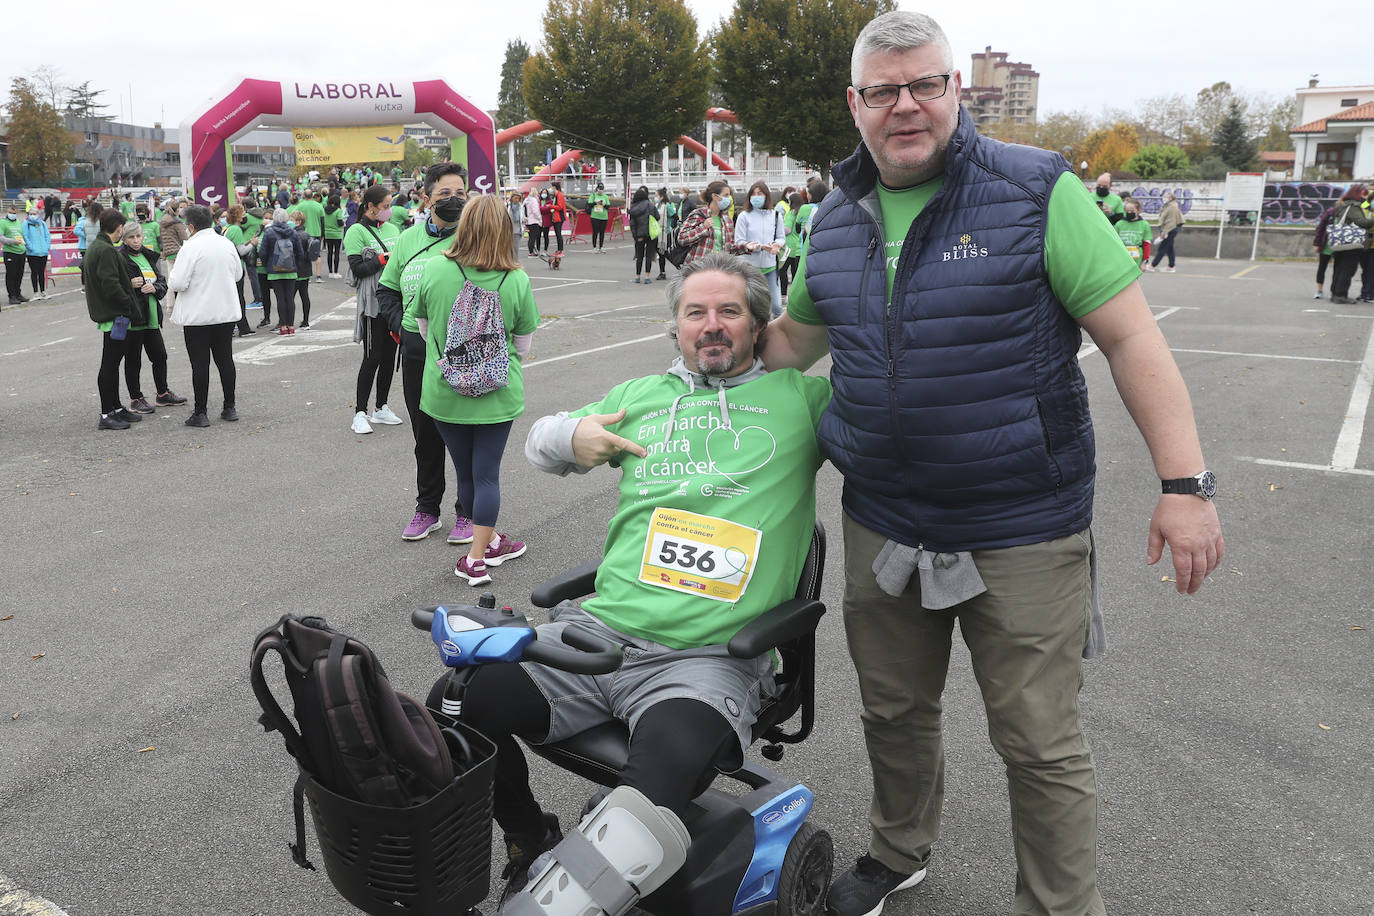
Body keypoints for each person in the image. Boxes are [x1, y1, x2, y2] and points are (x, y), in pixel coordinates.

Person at [757, 12, 1224, 915]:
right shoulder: (836, 212)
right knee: (893, 714)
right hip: (884, 516)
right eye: (884, 90)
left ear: (955, 91)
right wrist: (698, 358)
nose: (906, 106)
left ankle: (1057, 907)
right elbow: (798, 339)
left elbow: (1131, 339)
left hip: (1022, 526)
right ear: (855, 103)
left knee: (1038, 740)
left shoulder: (1037, 189)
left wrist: (1185, 486)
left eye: (926, 84)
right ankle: (899, 852)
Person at [462, 252, 830, 903]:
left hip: (704, 661)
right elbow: (538, 442)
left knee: (642, 811)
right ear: (677, 328)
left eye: (729, 312)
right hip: (595, 636)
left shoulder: (802, 400)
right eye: (696, 313)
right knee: (456, 703)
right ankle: (529, 836)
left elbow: (902, 410)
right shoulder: (641, 398)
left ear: (758, 325)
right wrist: (569, 434)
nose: (711, 326)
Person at [406, 194, 538, 585]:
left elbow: (424, 330)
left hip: (445, 392)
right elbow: (523, 346)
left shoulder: (435, 269)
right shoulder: (516, 278)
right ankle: (477, 557)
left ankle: (489, 540)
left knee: (465, 471)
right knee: (487, 476)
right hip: (497, 395)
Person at [376, 161, 474, 543]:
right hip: (418, 356)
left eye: (460, 194)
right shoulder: (407, 239)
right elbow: (388, 289)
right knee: (426, 436)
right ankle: (427, 508)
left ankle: (468, 512)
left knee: (464, 436)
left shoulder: (474, 236)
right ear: (426, 197)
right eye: (445, 194)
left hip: (465, 356)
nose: (453, 201)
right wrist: (403, 327)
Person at [168, 206, 243, 427]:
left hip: (198, 316)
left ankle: (200, 412)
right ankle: (230, 407)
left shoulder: (190, 247)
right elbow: (238, 274)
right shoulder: (225, 243)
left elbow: (178, 282)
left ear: (190, 226)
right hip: (225, 312)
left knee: (200, 364)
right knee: (225, 360)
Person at [346, 184, 403, 433]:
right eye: (385, 207)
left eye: (390, 206)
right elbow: (358, 269)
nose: (388, 211)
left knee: (389, 359)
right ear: (371, 207)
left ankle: (381, 408)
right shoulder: (356, 231)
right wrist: (383, 258)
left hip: (394, 304)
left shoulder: (393, 228)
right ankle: (360, 412)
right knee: (372, 358)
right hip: (372, 306)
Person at [84, 210, 145, 430]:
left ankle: (116, 407)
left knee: (112, 364)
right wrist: (128, 305)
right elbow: (111, 285)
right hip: (115, 316)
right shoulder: (106, 250)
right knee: (109, 365)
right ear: (119, 228)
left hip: (111, 314)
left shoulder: (97, 247)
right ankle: (106, 413)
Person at [117, 223, 184, 413]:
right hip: (133, 318)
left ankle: (162, 393)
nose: (136, 240)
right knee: (133, 360)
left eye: (138, 236)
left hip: (152, 316)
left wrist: (155, 288)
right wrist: (129, 284)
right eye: (131, 237)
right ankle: (135, 398)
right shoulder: (120, 258)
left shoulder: (148, 255)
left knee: (160, 356)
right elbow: (112, 285)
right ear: (124, 239)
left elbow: (162, 281)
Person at [730, 181, 787, 317]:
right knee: (750, 306)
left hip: (770, 267)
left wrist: (776, 244)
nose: (756, 197)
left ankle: (775, 335)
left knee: (777, 307)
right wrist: (759, 247)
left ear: (766, 196)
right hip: (749, 268)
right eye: (753, 194)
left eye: (759, 194)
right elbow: (739, 241)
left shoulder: (776, 215)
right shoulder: (744, 216)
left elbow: (781, 237)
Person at [258, 209, 306, 335]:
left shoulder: (269, 232)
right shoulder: (293, 232)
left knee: (280, 298)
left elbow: (262, 252)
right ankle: (291, 325)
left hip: (274, 270)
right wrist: (296, 264)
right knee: (290, 298)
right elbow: (300, 253)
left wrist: (266, 265)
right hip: (291, 270)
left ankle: (283, 326)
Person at [1328, 184, 1372, 305]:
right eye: (1364, 193)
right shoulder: (1353, 206)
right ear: (1357, 194)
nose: (1366, 196)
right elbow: (1361, 222)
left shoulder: (1343, 205)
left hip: (1341, 242)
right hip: (1351, 244)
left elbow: (1368, 208)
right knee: (1347, 269)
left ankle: (1335, 293)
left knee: (1339, 268)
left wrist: (1367, 202)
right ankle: (1341, 295)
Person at [675, 180, 735, 266]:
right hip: (700, 270)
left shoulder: (727, 220)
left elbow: (730, 248)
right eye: (726, 195)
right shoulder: (698, 214)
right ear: (714, 196)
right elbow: (682, 238)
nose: (729, 199)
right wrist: (703, 227)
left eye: (729, 195)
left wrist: (745, 247)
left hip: (721, 270)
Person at [222, 206, 258, 337]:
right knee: (238, 299)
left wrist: (248, 242)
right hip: (236, 268)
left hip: (227, 268)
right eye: (242, 213)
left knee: (232, 298)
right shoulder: (236, 229)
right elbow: (242, 250)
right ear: (237, 216)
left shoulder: (228, 228)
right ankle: (243, 328)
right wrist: (253, 244)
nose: (244, 215)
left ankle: (233, 327)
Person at [287, 211, 318, 328]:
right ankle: (305, 321)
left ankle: (289, 321)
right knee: (304, 295)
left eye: (292, 219)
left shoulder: (294, 235)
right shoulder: (307, 234)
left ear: (298, 221)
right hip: (306, 269)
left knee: (290, 297)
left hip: (296, 269)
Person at [1147, 191, 1184, 273]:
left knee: (1162, 248)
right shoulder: (1169, 206)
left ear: (1170, 198)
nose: (1164, 198)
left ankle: (1152, 265)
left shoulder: (1172, 207)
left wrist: (1164, 232)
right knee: (1169, 248)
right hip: (1171, 229)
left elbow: (1170, 221)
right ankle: (1171, 266)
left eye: (1166, 196)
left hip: (1170, 230)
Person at [627, 188, 658, 284]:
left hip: (639, 234)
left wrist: (635, 236)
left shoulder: (633, 208)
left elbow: (632, 224)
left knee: (639, 256)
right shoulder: (651, 206)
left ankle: (637, 276)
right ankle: (647, 277)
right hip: (651, 233)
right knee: (649, 255)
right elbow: (657, 217)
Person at [296, 189, 327, 283]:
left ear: (304, 196)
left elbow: (294, 217)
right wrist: (322, 234)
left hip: (303, 233)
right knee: (316, 254)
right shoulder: (319, 206)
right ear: (312, 196)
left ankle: (306, 275)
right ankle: (318, 276)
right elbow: (322, 221)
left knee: (303, 254)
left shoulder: (300, 205)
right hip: (316, 232)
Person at [1113, 197, 1152, 270]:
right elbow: (1114, 243)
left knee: (1133, 280)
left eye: (1132, 210)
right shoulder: (1119, 224)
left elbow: (1147, 244)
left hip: (1137, 259)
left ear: (1139, 210)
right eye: (1127, 211)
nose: (1129, 213)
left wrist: (1144, 262)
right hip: (1122, 258)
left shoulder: (1144, 225)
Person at [778, 191, 804, 298]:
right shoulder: (802, 212)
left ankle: (783, 294)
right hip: (798, 247)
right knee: (795, 273)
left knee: (782, 270)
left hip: (788, 247)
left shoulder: (791, 213)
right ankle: (794, 295)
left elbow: (787, 230)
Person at [1, 203, 28, 306]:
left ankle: (18, 293)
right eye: (11, 213)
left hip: (21, 251)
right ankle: (11, 296)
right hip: (10, 252)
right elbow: (1, 238)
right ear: (7, 212)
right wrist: (12, 241)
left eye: (15, 213)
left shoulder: (18, 222)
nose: (13, 215)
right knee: (11, 275)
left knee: (19, 274)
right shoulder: (3, 222)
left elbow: (20, 235)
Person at [1312, 204, 1336, 299]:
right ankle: (1319, 290)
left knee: (1337, 270)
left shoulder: (1347, 214)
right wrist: (1317, 243)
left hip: (1338, 246)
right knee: (1322, 267)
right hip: (1326, 245)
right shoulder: (1330, 212)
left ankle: (1334, 290)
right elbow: (1320, 228)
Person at [159, 201, 189, 265]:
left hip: (168, 253)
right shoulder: (177, 222)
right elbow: (184, 239)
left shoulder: (162, 222)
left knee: (171, 273)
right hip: (178, 252)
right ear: (177, 209)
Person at [587, 182, 611, 252]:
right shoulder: (593, 195)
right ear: (597, 189)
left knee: (602, 232)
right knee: (595, 231)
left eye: (602, 189)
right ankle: (594, 247)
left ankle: (601, 246)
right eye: (600, 189)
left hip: (604, 217)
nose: (601, 190)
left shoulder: (605, 197)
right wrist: (595, 202)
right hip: (595, 216)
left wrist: (604, 204)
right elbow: (589, 204)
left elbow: (608, 206)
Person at [524, 189, 544, 258]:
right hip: (534, 221)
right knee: (533, 237)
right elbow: (536, 211)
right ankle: (532, 252)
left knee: (530, 237)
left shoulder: (526, 200)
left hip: (528, 222)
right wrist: (540, 219)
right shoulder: (534, 201)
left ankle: (531, 251)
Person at [549, 180, 568, 254]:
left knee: (558, 234)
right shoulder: (556, 196)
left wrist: (550, 206)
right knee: (557, 234)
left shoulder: (559, 195)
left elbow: (560, 207)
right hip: (556, 217)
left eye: (551, 187)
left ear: (554, 187)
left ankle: (561, 250)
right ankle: (559, 249)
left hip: (559, 217)